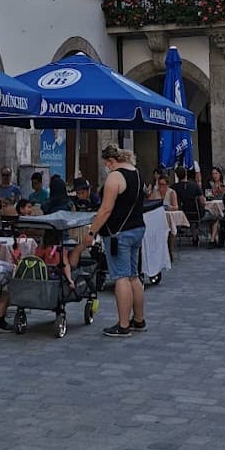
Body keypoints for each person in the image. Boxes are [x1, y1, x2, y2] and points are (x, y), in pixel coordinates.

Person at [85, 143, 146, 337]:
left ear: (111, 161)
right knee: (133, 275)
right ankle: (139, 319)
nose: (106, 168)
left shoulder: (114, 177)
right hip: (137, 228)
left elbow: (105, 210)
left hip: (118, 232)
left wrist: (91, 232)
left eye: (106, 164)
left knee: (121, 277)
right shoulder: (136, 173)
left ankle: (123, 324)